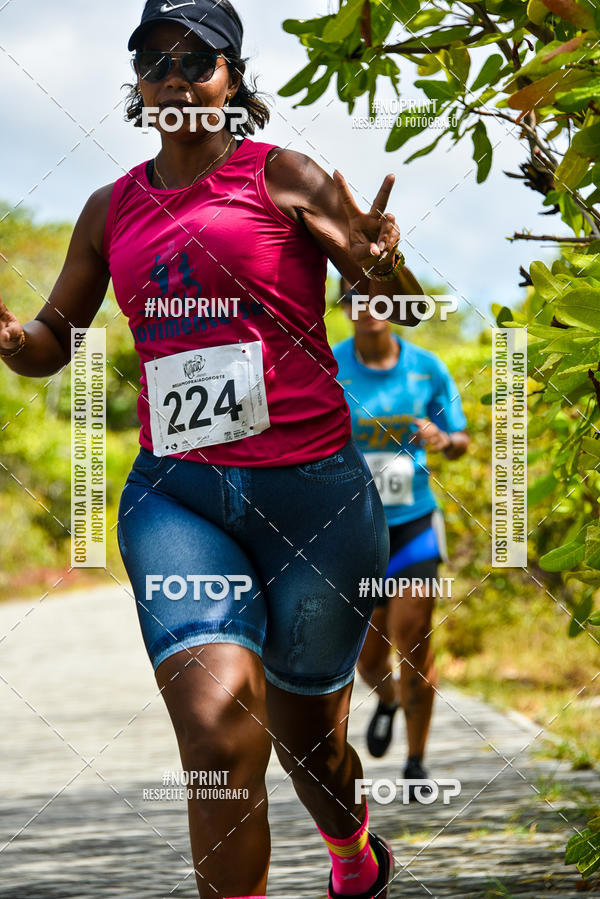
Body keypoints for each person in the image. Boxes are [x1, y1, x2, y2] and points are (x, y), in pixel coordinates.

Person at [0, 2, 428, 896]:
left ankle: (351, 850)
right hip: (180, 500)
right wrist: (14, 342)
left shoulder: (285, 176)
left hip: (316, 502)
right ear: (137, 85)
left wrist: (382, 261)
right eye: (154, 60)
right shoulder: (108, 209)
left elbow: (388, 293)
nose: (174, 75)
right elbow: (53, 341)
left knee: (313, 747)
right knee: (218, 729)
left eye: (197, 58)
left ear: (233, 78)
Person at [334, 281, 469, 798]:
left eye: (379, 299)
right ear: (344, 307)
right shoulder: (329, 365)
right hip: (354, 531)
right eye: (356, 298)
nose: (368, 308)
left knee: (412, 636)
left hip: (412, 525)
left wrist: (441, 439)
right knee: (368, 655)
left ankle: (415, 762)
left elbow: (459, 440)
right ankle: (386, 699)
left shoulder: (427, 367)